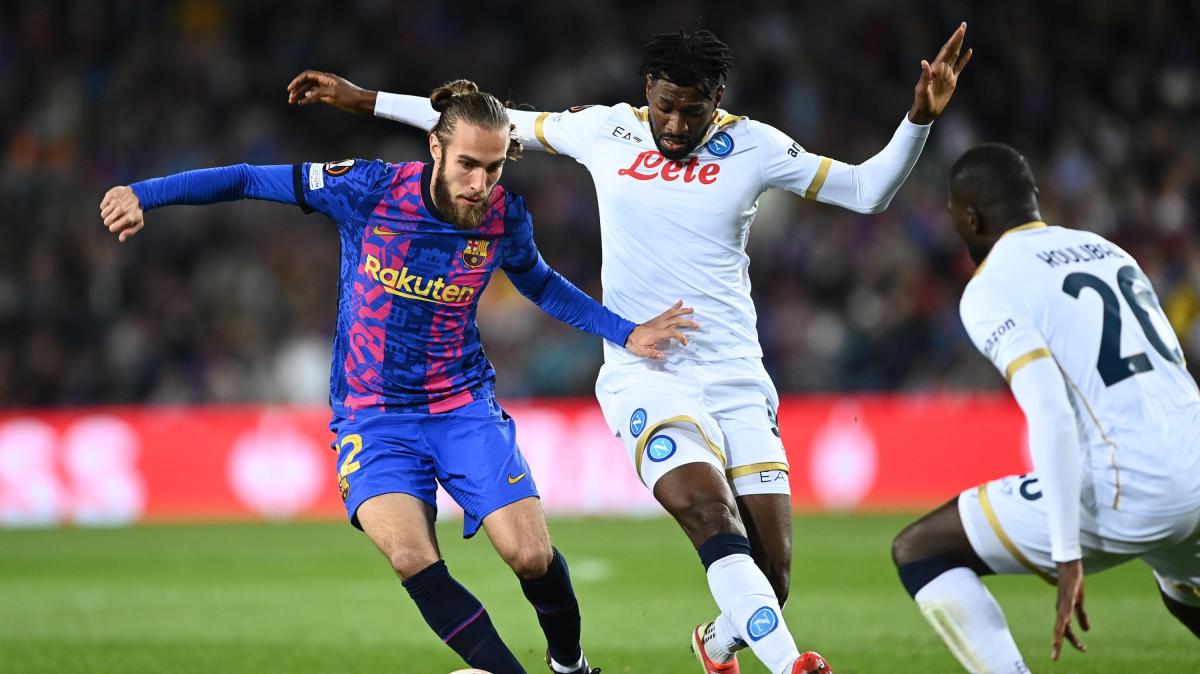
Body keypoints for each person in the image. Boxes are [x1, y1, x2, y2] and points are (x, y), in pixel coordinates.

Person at [286, 23, 970, 674]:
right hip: (647, 373)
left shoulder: (756, 146)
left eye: (693, 112)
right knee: (708, 513)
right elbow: (483, 124)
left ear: (717, 100)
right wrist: (363, 99)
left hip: (736, 376)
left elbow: (868, 191)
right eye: (666, 106)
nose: (676, 124)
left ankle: (716, 641)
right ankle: (794, 664)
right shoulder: (604, 130)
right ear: (648, 90)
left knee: (772, 580)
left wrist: (920, 117)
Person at [99, 80, 699, 674]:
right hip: (372, 415)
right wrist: (143, 194)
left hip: (461, 405)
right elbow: (249, 178)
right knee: (412, 557)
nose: (480, 184)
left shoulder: (504, 217)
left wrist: (624, 332)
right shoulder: (367, 188)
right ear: (436, 147)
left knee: (530, 555)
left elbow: (540, 282)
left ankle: (569, 665)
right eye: (467, 165)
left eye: (493, 169)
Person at [891, 143, 1200, 673]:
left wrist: (1065, 553)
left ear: (969, 218)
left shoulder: (990, 286)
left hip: (1135, 488)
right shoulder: (1107, 251)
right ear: (1032, 197)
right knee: (1181, 584)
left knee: (920, 549)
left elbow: (1051, 412)